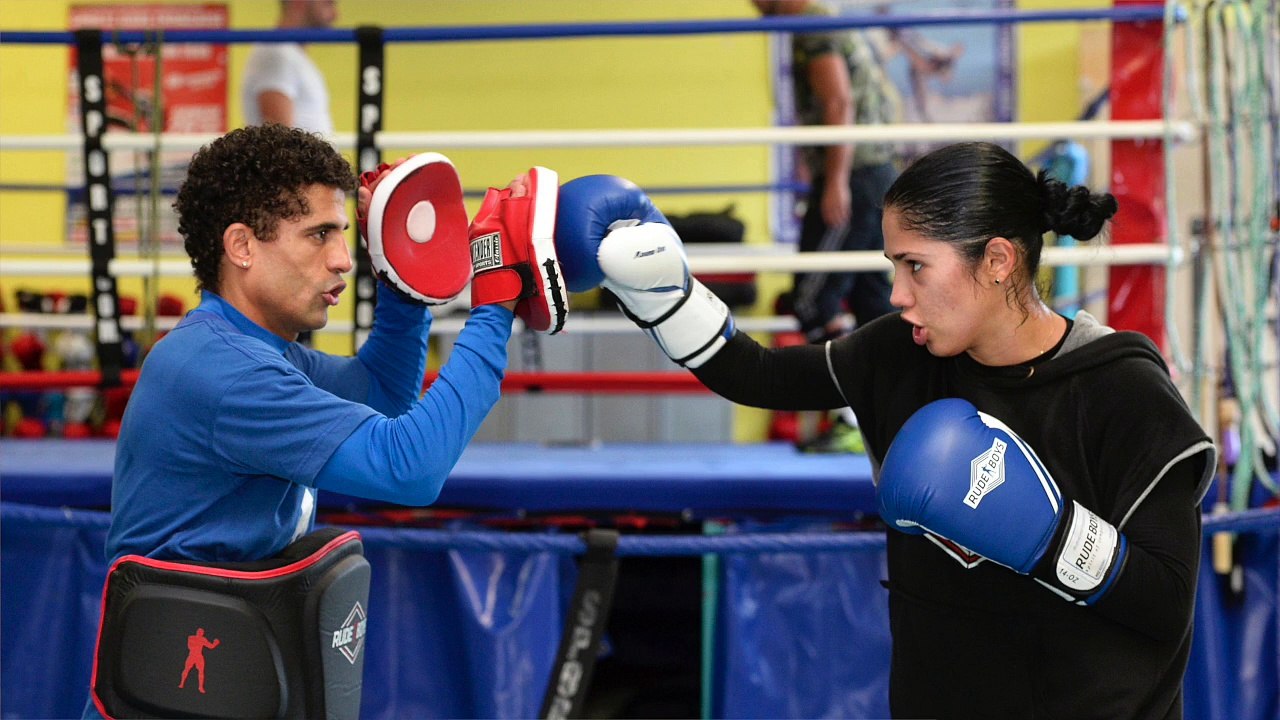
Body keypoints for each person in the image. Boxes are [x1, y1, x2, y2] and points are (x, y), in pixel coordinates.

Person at [552, 142, 1216, 718]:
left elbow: (1167, 605)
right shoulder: (903, 355)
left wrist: (1049, 534)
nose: (897, 294)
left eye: (915, 266)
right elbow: (759, 376)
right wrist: (666, 297)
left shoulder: (1120, 390)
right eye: (893, 267)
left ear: (998, 261)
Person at [82, 124, 559, 718]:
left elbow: (381, 396)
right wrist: (494, 306)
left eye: (343, 233)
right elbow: (410, 469)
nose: (341, 258)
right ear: (243, 246)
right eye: (318, 235)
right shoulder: (223, 373)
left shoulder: (258, 353)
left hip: (225, 686)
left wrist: (402, 284)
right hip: (178, 699)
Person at [241, 0, 337, 134]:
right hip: (300, 155)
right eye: (328, 3)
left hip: (310, 154)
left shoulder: (291, 55)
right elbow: (278, 139)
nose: (335, 15)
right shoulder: (275, 53)